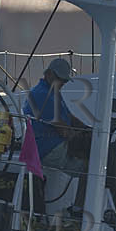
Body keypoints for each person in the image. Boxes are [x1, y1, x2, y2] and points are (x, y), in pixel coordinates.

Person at [26, 58, 87, 213]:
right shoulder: (42, 95)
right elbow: (64, 130)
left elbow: (71, 118)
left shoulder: (52, 91)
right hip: (47, 150)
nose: (63, 83)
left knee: (96, 156)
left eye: (65, 81)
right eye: (61, 80)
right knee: (92, 168)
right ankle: (79, 211)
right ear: (49, 74)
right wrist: (86, 137)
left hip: (55, 145)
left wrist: (89, 129)